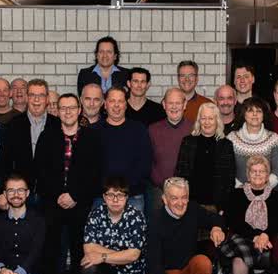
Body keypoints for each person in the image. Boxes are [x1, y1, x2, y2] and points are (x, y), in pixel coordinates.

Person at [34, 93, 101, 274]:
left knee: (80, 249)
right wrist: (58, 196)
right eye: (63, 108)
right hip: (52, 203)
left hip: (80, 204)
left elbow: (95, 174)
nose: (68, 112)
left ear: (79, 110)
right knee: (50, 250)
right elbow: (40, 171)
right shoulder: (47, 137)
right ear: (57, 111)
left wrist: (75, 196)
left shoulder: (92, 138)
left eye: (72, 107)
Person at [146, 177, 225, 274]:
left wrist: (217, 227)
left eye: (184, 197)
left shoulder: (193, 210)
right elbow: (152, 267)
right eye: (174, 198)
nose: (180, 203)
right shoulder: (154, 220)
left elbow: (216, 217)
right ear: (164, 199)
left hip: (185, 270)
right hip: (161, 273)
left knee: (203, 263)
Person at [80, 176, 147, 274]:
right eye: (111, 195)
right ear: (104, 197)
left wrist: (103, 256)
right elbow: (89, 249)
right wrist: (122, 254)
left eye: (120, 195)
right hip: (106, 271)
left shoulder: (136, 217)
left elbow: (134, 255)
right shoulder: (95, 214)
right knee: (88, 265)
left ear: (127, 197)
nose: (115, 200)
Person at [0, 79, 60, 199]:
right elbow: (3, 163)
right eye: (32, 95)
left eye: (41, 95)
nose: (36, 100)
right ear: (26, 98)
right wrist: (3, 192)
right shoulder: (13, 125)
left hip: (52, 196)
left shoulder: (58, 125)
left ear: (47, 99)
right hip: (20, 195)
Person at [96, 87, 152, 214]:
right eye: (112, 101)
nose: (116, 105)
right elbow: (91, 166)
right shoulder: (94, 131)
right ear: (105, 104)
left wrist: (122, 191)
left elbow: (145, 163)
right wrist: (110, 191)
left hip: (133, 196)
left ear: (126, 105)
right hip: (102, 197)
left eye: (120, 101)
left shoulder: (139, 129)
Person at [174, 102, 236, 213]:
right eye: (203, 118)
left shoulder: (226, 145)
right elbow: (180, 174)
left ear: (217, 120)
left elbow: (229, 180)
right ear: (199, 121)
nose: (207, 122)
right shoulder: (188, 142)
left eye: (211, 118)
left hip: (216, 206)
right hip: (190, 205)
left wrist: (221, 207)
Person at [148, 88, 192, 217]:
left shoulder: (194, 128)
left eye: (178, 103)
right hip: (159, 191)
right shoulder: (152, 130)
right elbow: (148, 161)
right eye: (170, 103)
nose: (174, 107)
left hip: (186, 193)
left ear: (184, 105)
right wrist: (162, 185)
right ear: (164, 104)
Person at [227, 97, 278, 190]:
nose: (255, 114)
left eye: (259, 111)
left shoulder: (274, 139)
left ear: (263, 115)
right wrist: (241, 188)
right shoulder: (231, 138)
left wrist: (262, 187)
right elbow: (226, 170)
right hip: (237, 190)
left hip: (267, 191)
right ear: (244, 114)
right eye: (250, 111)